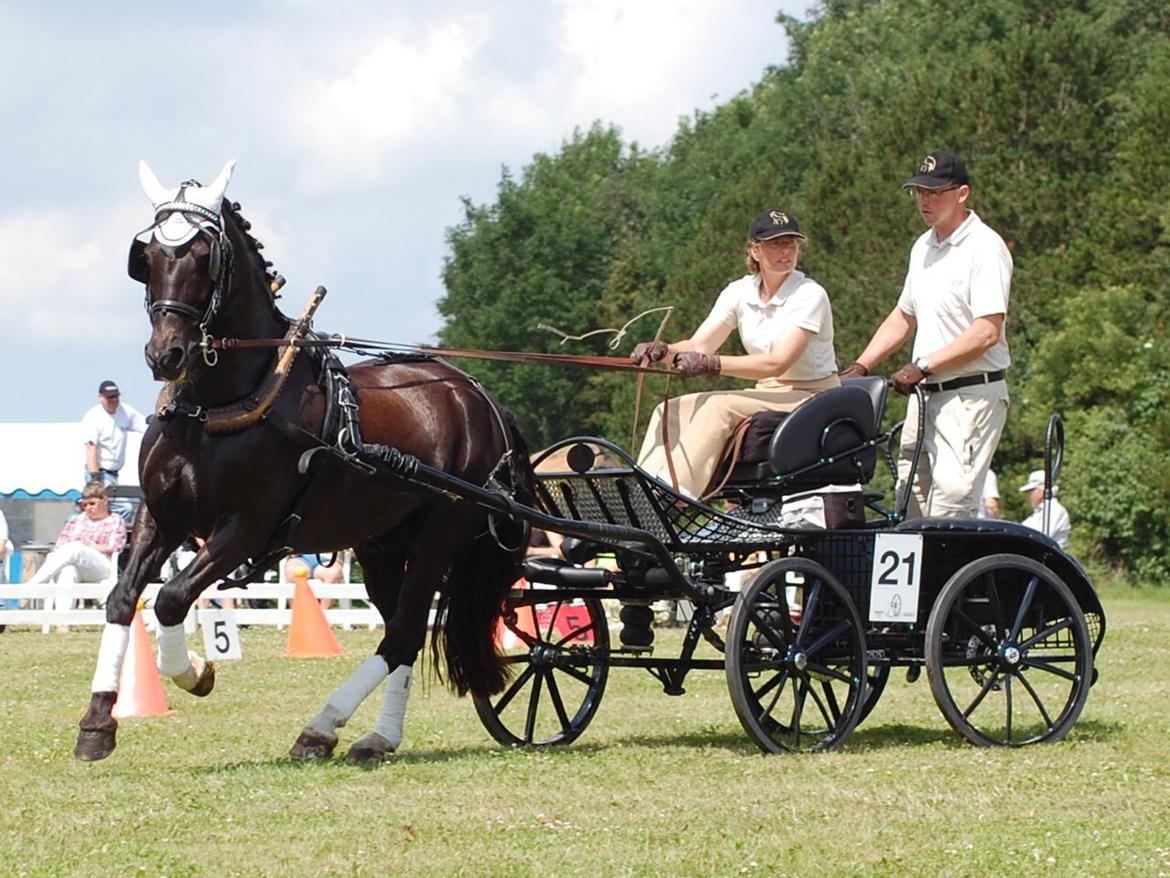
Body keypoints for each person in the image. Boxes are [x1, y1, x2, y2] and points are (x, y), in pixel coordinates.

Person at [841, 150, 1012, 518]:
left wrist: (923, 364)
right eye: (919, 192)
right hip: (925, 397)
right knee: (909, 500)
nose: (924, 200)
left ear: (962, 193)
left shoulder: (985, 247)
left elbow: (986, 332)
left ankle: (950, 577)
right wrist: (861, 365)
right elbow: (904, 315)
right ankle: (918, 577)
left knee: (952, 504)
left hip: (969, 395)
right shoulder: (923, 246)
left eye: (934, 192)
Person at [631, 208, 839, 498]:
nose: (786, 251)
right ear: (755, 250)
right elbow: (699, 345)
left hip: (813, 396)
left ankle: (674, 497)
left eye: (791, 243)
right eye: (776, 243)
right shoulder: (739, 292)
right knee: (670, 409)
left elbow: (777, 363)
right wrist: (662, 350)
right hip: (769, 392)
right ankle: (642, 492)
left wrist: (711, 364)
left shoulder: (809, 295)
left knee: (719, 406)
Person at [27, 481, 127, 632]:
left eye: (92, 503)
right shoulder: (76, 520)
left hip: (102, 565)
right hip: (77, 562)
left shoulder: (115, 520)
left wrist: (88, 547)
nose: (88, 508)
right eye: (85, 505)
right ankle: (63, 623)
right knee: (68, 570)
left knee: (75, 548)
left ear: (104, 499)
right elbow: (60, 545)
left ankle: (34, 585)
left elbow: (115, 548)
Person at [82, 380, 147, 524]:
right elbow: (91, 448)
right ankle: (112, 535)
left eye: (115, 397)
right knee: (125, 508)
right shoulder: (93, 416)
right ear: (101, 398)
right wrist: (95, 479)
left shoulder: (126, 412)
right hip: (99, 473)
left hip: (113, 474)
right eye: (109, 397)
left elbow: (145, 426)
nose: (113, 400)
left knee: (98, 510)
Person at [1019, 470, 1071, 547]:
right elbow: (1020, 530)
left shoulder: (1055, 510)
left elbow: (1039, 537)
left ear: (1041, 491)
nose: (1029, 496)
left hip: (1049, 557)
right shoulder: (1039, 513)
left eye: (1031, 492)